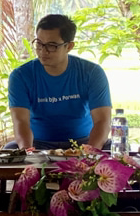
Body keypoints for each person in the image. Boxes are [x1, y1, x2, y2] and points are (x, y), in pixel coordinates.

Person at [7, 14, 112, 150]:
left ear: (69, 46)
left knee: (115, 153)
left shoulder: (91, 73)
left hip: (84, 143)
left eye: (52, 45)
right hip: (38, 144)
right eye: (39, 44)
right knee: (10, 149)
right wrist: (27, 152)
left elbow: (102, 121)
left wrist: (89, 153)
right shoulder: (21, 76)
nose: (43, 51)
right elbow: (20, 122)